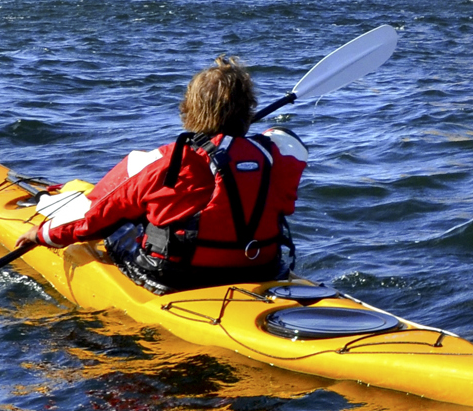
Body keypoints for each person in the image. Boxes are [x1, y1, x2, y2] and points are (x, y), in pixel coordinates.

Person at [33, 54, 306, 293]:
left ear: (188, 110)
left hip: (178, 276)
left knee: (123, 221)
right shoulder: (276, 157)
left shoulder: (158, 161)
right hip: (261, 269)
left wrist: (43, 235)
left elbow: (95, 219)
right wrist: (236, 136)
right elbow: (284, 138)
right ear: (248, 110)